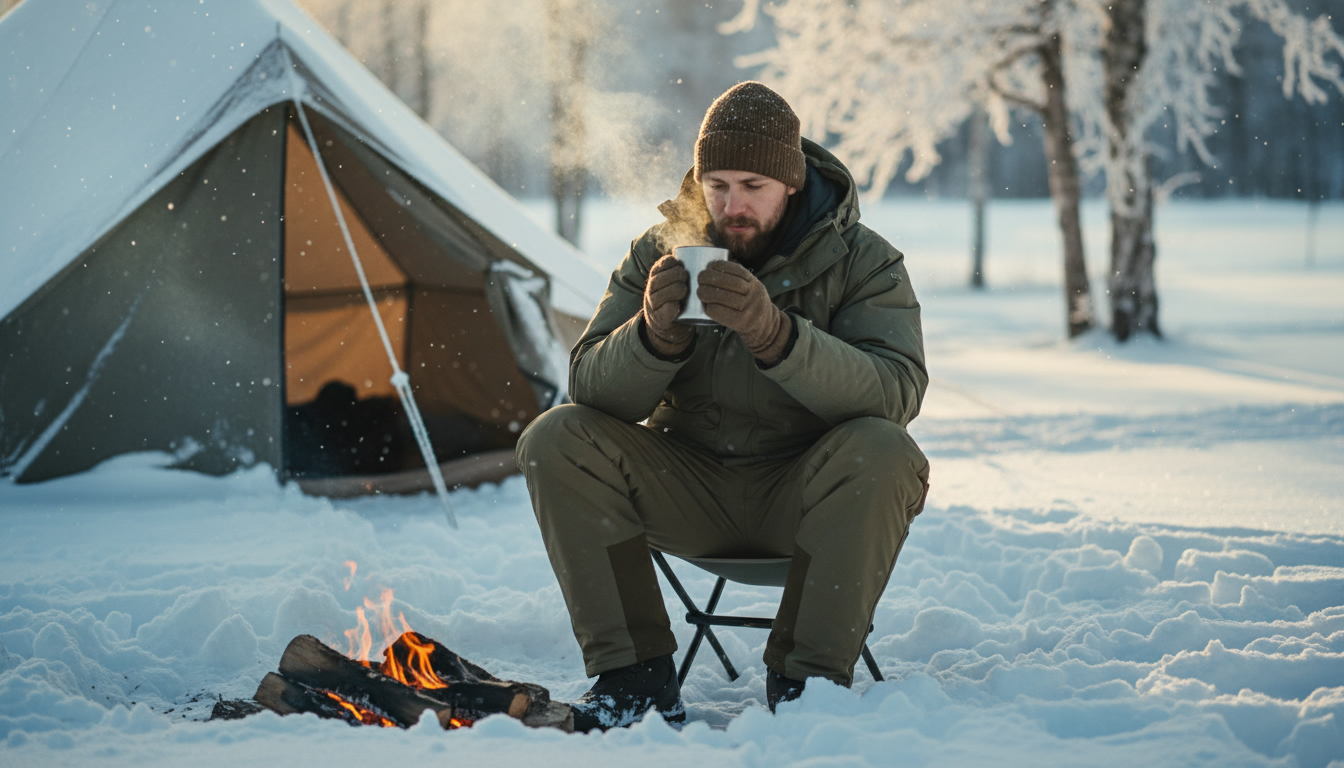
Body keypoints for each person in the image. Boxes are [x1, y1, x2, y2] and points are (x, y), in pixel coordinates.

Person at [516, 81, 930, 732]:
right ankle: (634, 679)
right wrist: (651, 338)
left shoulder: (861, 260)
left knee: (886, 450)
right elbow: (589, 390)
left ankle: (808, 685)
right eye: (717, 185)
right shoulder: (662, 250)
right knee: (556, 437)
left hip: (807, 496)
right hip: (688, 486)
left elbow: (896, 393)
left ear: (791, 182)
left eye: (753, 186)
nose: (732, 205)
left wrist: (778, 337)